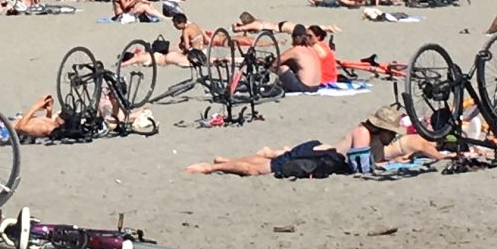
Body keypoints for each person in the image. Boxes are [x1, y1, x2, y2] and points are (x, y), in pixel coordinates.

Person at [185, 104, 445, 176]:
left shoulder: (375, 138)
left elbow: (376, 159)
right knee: (258, 170)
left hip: (319, 154)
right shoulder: (363, 133)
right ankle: (212, 167)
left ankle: (227, 160)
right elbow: (361, 167)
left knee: (271, 162)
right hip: (317, 157)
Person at [122, 12, 206, 67]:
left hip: (193, 55)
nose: (174, 26)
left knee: (172, 51)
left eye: (175, 24)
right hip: (200, 52)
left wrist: (120, 65)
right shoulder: (194, 25)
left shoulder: (186, 31)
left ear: (179, 23)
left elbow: (187, 48)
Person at [273, 24, 321, 93]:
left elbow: (276, 62)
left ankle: (281, 84)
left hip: (304, 87)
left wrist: (270, 68)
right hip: (316, 87)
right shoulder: (312, 49)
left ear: (294, 38)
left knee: (282, 68)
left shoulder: (295, 50)